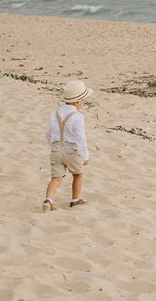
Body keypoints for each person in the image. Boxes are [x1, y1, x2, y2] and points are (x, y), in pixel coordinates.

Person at [42, 80, 93, 212]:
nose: (84, 103)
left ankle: (48, 200)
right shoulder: (78, 116)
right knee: (78, 174)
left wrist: (54, 146)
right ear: (78, 101)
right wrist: (85, 157)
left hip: (56, 148)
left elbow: (48, 133)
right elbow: (81, 138)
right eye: (83, 100)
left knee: (56, 178)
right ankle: (75, 200)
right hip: (71, 150)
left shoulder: (55, 113)